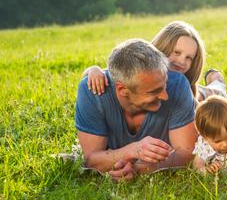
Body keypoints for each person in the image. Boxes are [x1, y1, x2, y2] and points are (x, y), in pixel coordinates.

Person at [75, 39, 197, 181]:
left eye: (164, 85)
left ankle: (215, 78)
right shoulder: (93, 92)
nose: (165, 96)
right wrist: (132, 150)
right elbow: (91, 160)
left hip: (198, 100)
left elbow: (186, 153)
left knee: (214, 94)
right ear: (122, 90)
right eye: (154, 91)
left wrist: (138, 169)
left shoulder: (177, 85)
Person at [83, 21, 227, 103]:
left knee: (217, 92)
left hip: (201, 95)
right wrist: (94, 70)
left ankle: (216, 79)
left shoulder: (184, 86)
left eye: (189, 58)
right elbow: (116, 73)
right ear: (163, 47)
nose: (181, 61)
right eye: (177, 52)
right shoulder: (143, 64)